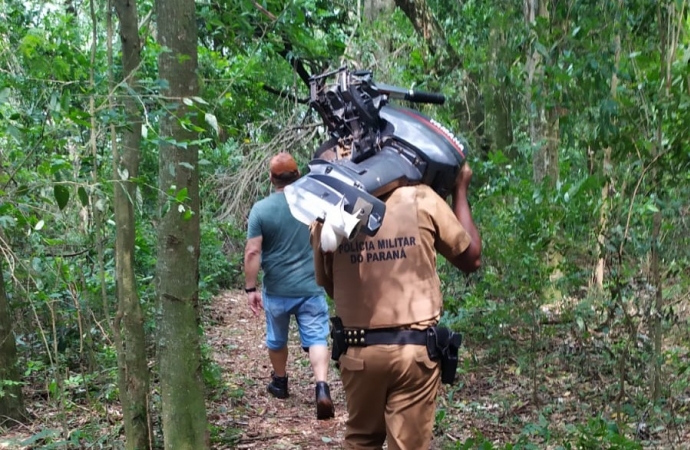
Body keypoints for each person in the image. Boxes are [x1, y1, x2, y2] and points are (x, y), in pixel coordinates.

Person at [310, 163, 481, 448]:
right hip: (413, 353)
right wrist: (460, 190)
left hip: (358, 352)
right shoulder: (421, 198)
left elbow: (330, 286)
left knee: (362, 439)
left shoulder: (328, 209)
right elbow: (471, 258)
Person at [243, 152, 335, 420]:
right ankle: (321, 386)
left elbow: (252, 252)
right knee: (317, 337)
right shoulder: (315, 204)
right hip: (311, 287)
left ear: (271, 179)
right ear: (298, 176)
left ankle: (280, 382)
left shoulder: (261, 209)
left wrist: (251, 289)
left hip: (277, 289)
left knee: (276, 338)